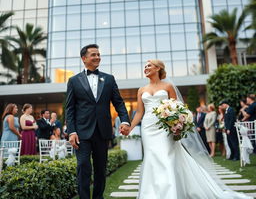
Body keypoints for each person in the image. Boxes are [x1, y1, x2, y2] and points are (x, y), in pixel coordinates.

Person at [128, 59, 251, 199]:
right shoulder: (141, 90)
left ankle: (170, 193)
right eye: (145, 66)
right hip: (148, 127)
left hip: (165, 127)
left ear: (158, 68)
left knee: (166, 156)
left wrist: (177, 124)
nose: (146, 68)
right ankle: (151, 194)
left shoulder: (168, 86)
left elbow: (178, 108)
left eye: (149, 65)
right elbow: (139, 113)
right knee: (151, 157)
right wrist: (130, 128)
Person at [66, 44, 130, 199]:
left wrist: (125, 121)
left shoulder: (109, 79)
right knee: (83, 166)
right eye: (93, 54)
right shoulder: (73, 81)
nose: (97, 57)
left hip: (102, 131)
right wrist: (72, 131)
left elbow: (119, 102)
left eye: (98, 54)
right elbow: (70, 108)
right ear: (84, 58)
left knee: (101, 169)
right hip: (82, 132)